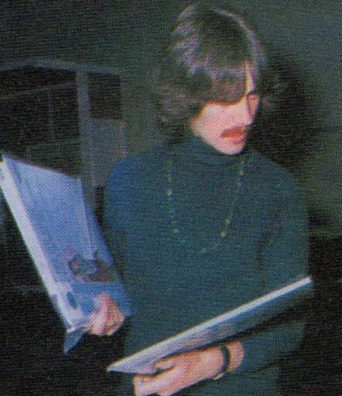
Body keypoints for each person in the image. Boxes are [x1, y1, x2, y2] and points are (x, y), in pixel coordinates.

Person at [95, 3, 308, 395]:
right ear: (186, 95)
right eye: (226, 98)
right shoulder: (128, 181)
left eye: (253, 95)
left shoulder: (279, 190)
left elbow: (290, 327)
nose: (245, 115)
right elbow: (122, 298)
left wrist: (213, 361)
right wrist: (104, 309)